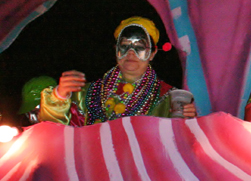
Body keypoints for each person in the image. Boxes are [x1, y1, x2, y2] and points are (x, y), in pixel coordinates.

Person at [39, 17, 197, 126]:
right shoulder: (88, 94)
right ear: (116, 50)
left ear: (153, 53)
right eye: (125, 45)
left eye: (140, 47)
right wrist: (59, 97)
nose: (131, 53)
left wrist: (190, 120)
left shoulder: (169, 98)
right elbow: (52, 131)